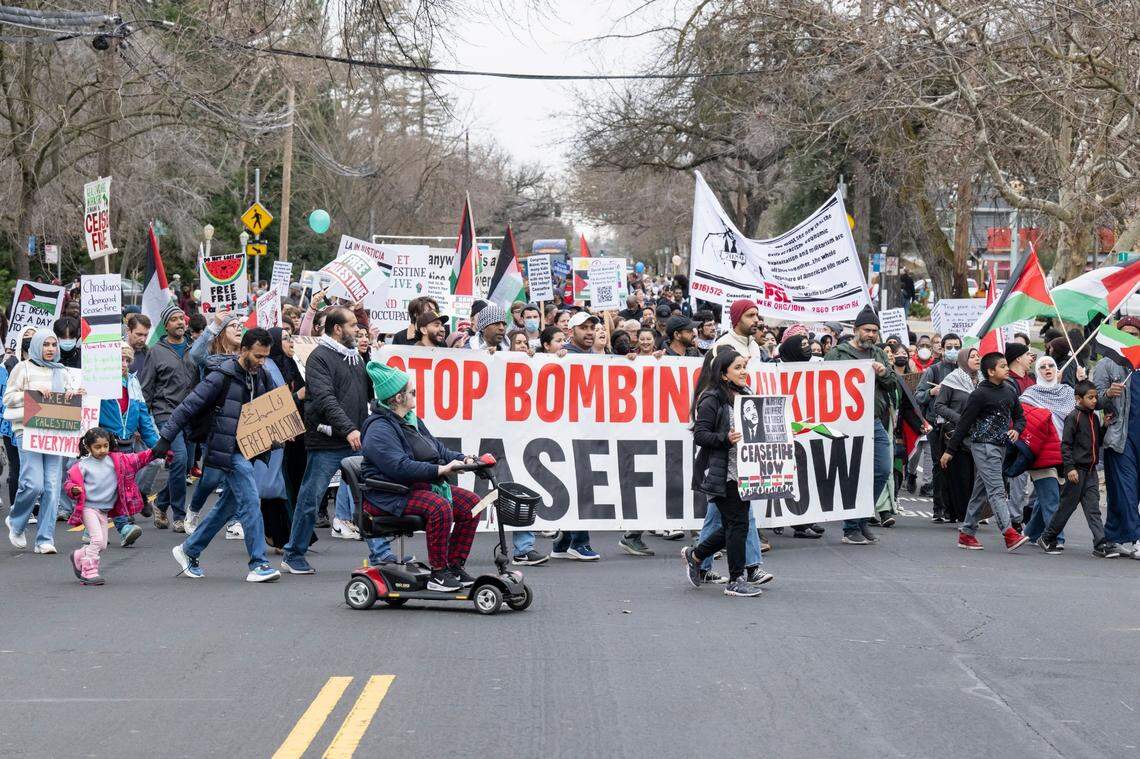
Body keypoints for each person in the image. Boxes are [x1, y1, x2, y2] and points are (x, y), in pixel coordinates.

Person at [163, 328, 281, 583]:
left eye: (265, 357)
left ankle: (189, 549)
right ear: (243, 350)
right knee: (251, 501)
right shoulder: (220, 377)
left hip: (248, 449)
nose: (262, 362)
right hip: (226, 451)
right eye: (258, 356)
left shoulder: (261, 375)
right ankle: (259, 563)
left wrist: (285, 429)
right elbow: (188, 407)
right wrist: (165, 439)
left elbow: (274, 406)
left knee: (227, 506)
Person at [359, 362, 481, 590]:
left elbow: (438, 450)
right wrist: (440, 470)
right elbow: (400, 468)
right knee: (440, 506)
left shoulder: (411, 420)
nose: (416, 395)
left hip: (416, 486)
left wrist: (465, 459)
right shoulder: (378, 429)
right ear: (397, 398)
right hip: (388, 493)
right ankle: (439, 572)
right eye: (412, 392)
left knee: (473, 504)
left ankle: (454, 565)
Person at [282, 307, 373, 573]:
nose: (358, 329)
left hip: (354, 439)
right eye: (353, 325)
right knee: (311, 499)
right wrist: (348, 429)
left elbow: (365, 396)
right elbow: (325, 399)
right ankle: (294, 554)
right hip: (328, 440)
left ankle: (382, 556)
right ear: (337, 329)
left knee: (372, 497)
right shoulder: (320, 358)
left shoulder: (355, 357)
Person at [682, 349, 774, 597]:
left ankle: (697, 554)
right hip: (723, 474)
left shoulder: (747, 395)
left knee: (736, 526)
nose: (744, 371)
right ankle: (735, 580)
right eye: (738, 367)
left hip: (746, 472)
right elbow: (700, 434)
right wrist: (725, 438)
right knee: (738, 524)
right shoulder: (711, 398)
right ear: (723, 374)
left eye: (744, 366)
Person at [3, 330, 83, 553]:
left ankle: (45, 539)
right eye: (45, 344)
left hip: (55, 433)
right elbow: (8, 398)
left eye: (53, 344)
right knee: (33, 483)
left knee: (52, 486)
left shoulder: (63, 371)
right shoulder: (23, 368)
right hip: (27, 431)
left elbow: (69, 396)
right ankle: (17, 521)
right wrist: (32, 392)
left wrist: (75, 394)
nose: (50, 349)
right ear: (37, 346)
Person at [940, 351, 1028, 551]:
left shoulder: (1010, 391)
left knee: (980, 491)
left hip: (1001, 448)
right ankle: (1009, 533)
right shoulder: (979, 394)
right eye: (1003, 366)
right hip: (983, 447)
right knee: (997, 490)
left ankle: (967, 533)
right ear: (990, 371)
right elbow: (964, 423)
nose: (1007, 369)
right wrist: (950, 450)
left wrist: (1016, 429)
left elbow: (1020, 417)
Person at [824, 305, 895, 545]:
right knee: (852, 473)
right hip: (846, 422)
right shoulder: (838, 353)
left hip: (873, 421)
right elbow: (823, 383)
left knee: (883, 468)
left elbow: (893, 383)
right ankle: (851, 527)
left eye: (875, 330)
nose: (871, 335)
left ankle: (862, 517)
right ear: (856, 330)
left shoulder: (879, 354)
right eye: (867, 330)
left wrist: (884, 373)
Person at [1037, 381, 1122, 558]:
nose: (1094, 401)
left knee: (1093, 509)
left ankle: (1100, 544)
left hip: (1090, 472)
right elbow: (1066, 445)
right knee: (1066, 508)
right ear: (1078, 399)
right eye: (1090, 397)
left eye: (1095, 397)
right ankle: (1046, 537)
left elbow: (1096, 443)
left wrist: (1104, 427)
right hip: (1076, 472)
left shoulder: (1094, 417)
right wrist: (1070, 468)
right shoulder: (1073, 417)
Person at [64, 428, 156, 585]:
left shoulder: (118, 461)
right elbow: (68, 483)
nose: (102, 450)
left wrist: (156, 452)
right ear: (88, 447)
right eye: (97, 447)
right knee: (98, 540)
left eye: (105, 446)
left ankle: (79, 555)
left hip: (104, 511)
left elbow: (138, 459)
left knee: (102, 544)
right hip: (88, 508)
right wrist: (73, 489)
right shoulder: (81, 466)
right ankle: (88, 571)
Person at [140, 304, 198, 531]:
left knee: (184, 466)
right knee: (180, 458)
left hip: (191, 414)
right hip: (166, 413)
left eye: (182, 318)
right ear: (166, 325)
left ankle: (161, 504)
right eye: (174, 319)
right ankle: (179, 515)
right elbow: (146, 387)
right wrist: (142, 420)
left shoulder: (194, 349)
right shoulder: (156, 351)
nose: (180, 323)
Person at [97, 344, 160, 547]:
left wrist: (158, 447)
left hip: (127, 445)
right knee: (115, 487)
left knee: (116, 488)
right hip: (104, 445)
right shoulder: (99, 384)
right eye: (118, 360)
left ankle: (94, 528)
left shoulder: (133, 384)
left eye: (126, 360)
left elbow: (144, 418)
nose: (123, 364)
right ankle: (123, 527)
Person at [552, 311, 600, 560]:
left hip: (587, 428)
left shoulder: (596, 357)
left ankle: (564, 542)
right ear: (572, 332)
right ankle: (579, 542)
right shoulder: (566, 356)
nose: (590, 332)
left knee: (581, 483)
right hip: (567, 429)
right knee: (580, 484)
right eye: (584, 328)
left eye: (592, 327)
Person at [1093, 316, 1140, 556]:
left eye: (1135, 333)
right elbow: (1092, 399)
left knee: (1131, 492)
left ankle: (1115, 536)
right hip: (1120, 438)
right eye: (1126, 332)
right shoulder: (1108, 364)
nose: (1131, 337)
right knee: (1125, 489)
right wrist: (1108, 394)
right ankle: (1135, 536)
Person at [1017, 355, 1070, 546]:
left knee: (1046, 497)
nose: (1048, 369)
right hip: (1041, 453)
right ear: (1037, 372)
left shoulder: (1068, 392)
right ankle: (1055, 538)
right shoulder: (1029, 396)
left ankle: (1030, 533)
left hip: (1065, 453)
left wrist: (1082, 381)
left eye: (1051, 365)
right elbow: (1024, 423)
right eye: (1043, 367)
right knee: (1051, 497)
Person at [916, 333, 962, 511]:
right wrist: (931, 393)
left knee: (958, 465)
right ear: (941, 349)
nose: (953, 351)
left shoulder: (966, 371)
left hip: (959, 425)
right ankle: (939, 508)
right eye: (949, 347)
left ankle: (955, 508)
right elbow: (918, 396)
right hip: (936, 425)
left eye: (957, 347)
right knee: (938, 465)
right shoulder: (933, 370)